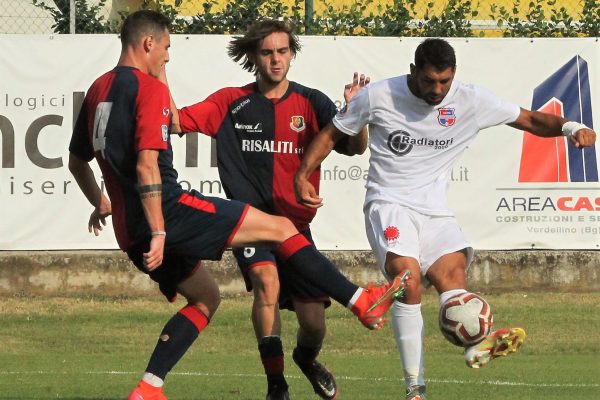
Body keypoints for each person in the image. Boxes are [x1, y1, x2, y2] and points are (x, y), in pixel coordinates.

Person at [67, 10, 405, 400]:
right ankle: (361, 304)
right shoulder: (188, 94)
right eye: (166, 47)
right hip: (169, 213)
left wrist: (101, 202)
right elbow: (149, 163)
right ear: (148, 44)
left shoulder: (98, 88)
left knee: (211, 298)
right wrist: (160, 229)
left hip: (130, 230)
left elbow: (77, 161)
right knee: (275, 246)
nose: (168, 56)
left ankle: (149, 388)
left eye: (282, 51)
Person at [294, 38, 597, 400]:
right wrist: (302, 175)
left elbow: (531, 119)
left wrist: (571, 127)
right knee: (408, 280)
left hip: (435, 210)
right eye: (429, 82)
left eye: (445, 82)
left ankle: (473, 340)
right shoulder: (378, 96)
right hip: (388, 202)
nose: (437, 90)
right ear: (413, 73)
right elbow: (331, 135)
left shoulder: (470, 100)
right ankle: (415, 389)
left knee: (453, 279)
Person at [169, 20, 369, 400]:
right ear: (253, 57)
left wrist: (355, 112)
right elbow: (176, 120)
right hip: (249, 224)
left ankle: (306, 360)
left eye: (282, 51)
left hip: (294, 229)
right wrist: (154, 73)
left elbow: (355, 147)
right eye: (267, 52)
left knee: (314, 324)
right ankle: (276, 385)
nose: (276, 60)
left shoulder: (311, 102)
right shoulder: (231, 101)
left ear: (292, 54)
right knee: (266, 283)